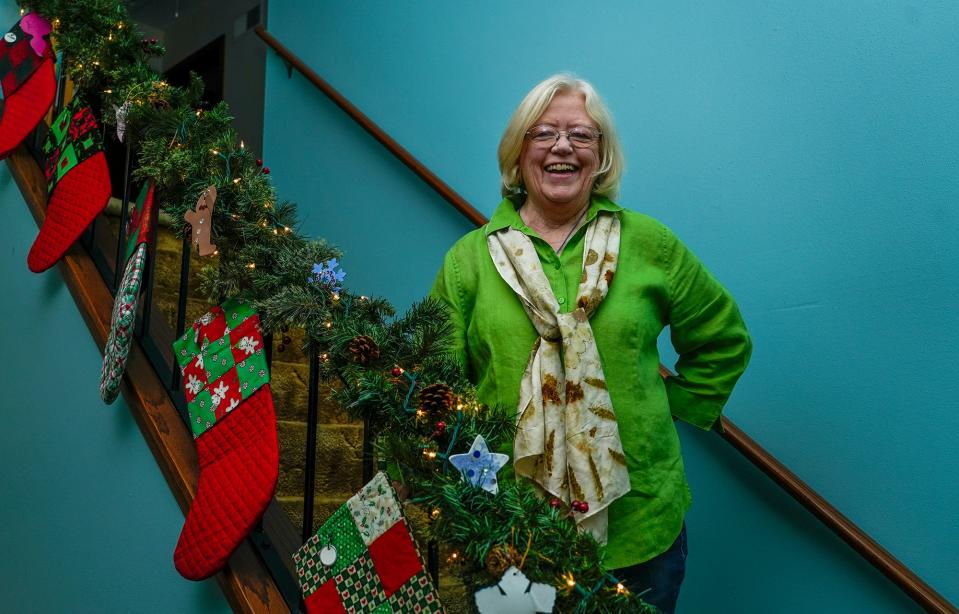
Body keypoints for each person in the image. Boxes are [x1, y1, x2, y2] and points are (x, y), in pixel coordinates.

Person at [431, 74, 751, 613]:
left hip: (640, 525)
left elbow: (723, 338)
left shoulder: (650, 244)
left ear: (600, 157)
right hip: (509, 526)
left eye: (581, 135)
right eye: (543, 133)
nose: (562, 146)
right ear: (517, 153)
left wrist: (667, 410)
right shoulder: (470, 260)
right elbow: (435, 383)